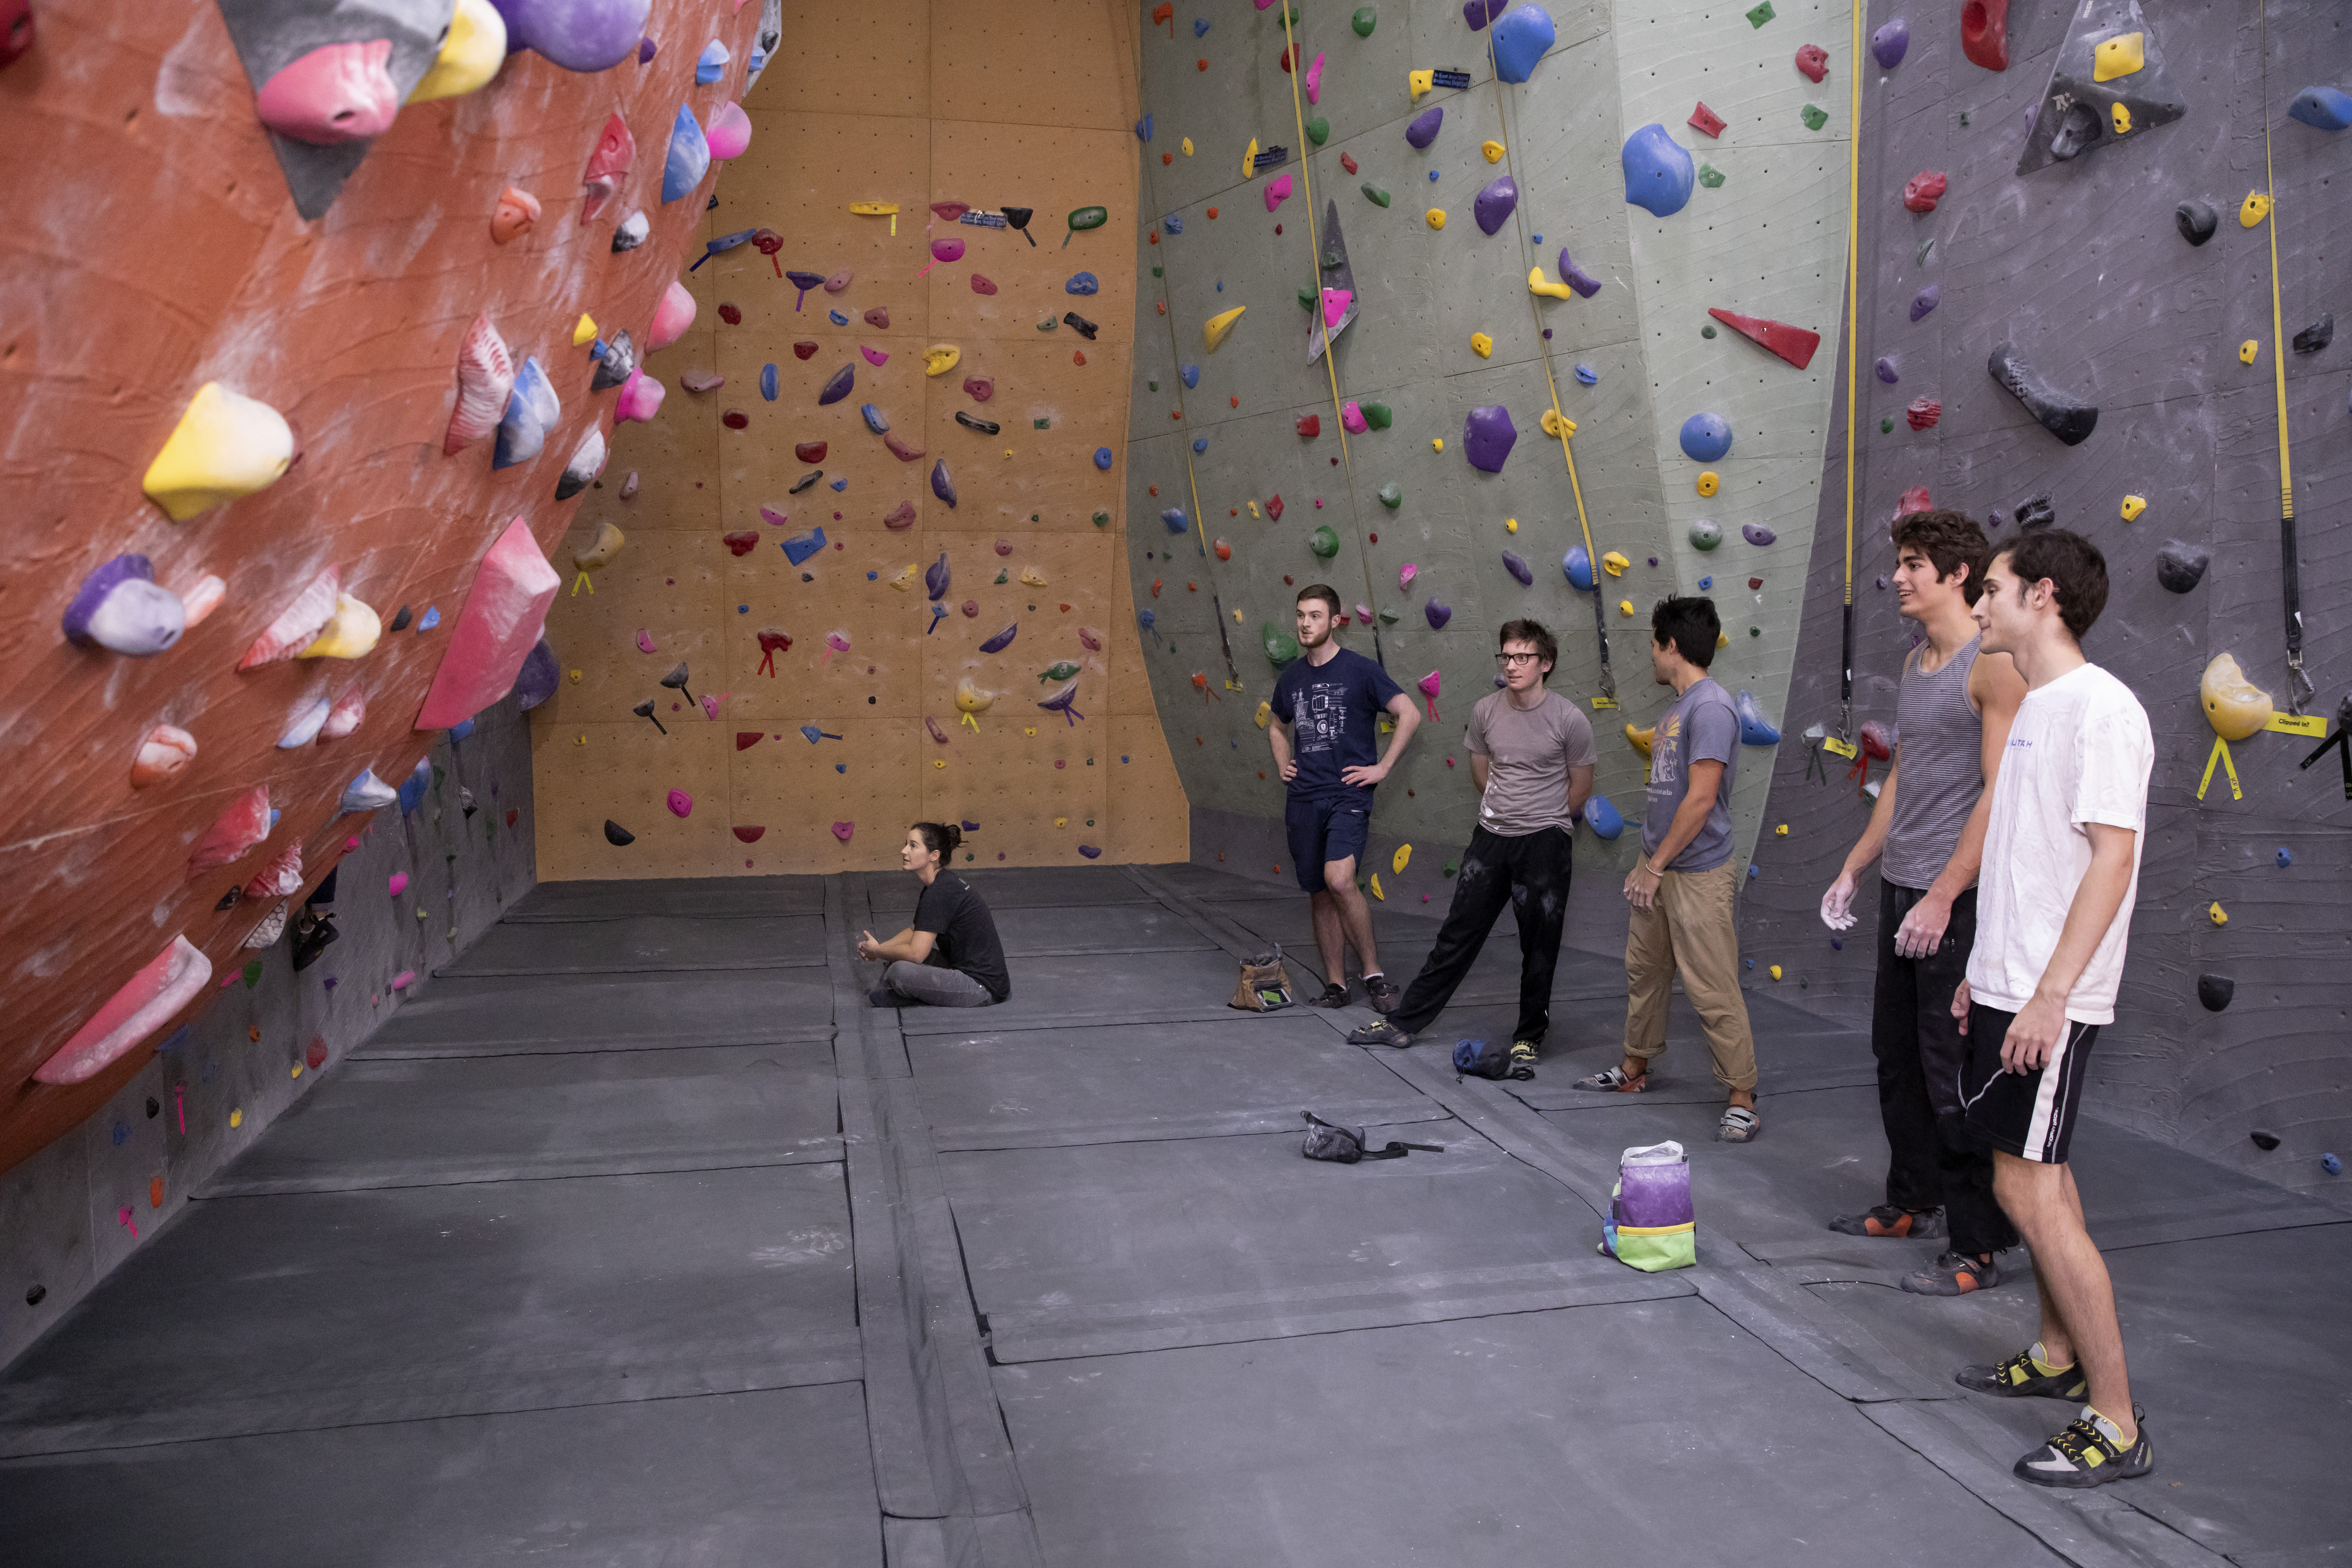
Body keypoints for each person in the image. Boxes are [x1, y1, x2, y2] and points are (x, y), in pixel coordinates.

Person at [1945, 530, 2154, 1488]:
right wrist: (1983, 972)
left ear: (2041, 596)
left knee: (2029, 1189)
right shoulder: (2036, 707)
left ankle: (2116, 1421)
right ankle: (2058, 1357)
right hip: (2012, 982)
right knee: (2037, 1177)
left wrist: (2050, 996)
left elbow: (2112, 858)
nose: (1975, 604)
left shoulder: (2101, 710)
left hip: (2051, 998)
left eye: (1987, 590)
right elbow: (2031, 861)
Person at [1820, 510, 2028, 1296]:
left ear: (1956, 575)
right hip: (1905, 889)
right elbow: (1903, 779)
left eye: (1913, 564)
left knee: (1951, 1071)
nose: (1899, 578)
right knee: (1896, 1056)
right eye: (1900, 562)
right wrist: (1853, 865)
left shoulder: (1991, 667)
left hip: (1954, 901)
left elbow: (2000, 792)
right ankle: (1915, 1197)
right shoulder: (1917, 665)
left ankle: (1978, 1244)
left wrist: (1944, 894)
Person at [1347, 619, 1595, 1063]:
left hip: (1544, 843)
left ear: (1546, 663)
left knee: (1540, 943)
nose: (1512, 665)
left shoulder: (1569, 719)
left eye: (1523, 657)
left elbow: (1580, 789)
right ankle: (1405, 1023)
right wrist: (1505, 810)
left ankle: (1529, 1036)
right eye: (1506, 656)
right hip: (1491, 839)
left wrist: (1542, 817)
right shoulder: (1485, 710)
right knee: (1457, 934)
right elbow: (1480, 772)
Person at [1576, 596, 1761, 1143]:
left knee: (1711, 986)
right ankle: (1634, 1069)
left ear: (1671, 645)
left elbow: (1702, 800)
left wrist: (1655, 866)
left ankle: (1742, 1097)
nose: (1650, 655)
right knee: (1646, 971)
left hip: (1694, 872)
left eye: (1653, 643)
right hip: (1656, 866)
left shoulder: (1711, 708)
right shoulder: (1679, 709)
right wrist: (1650, 863)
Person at [1268, 584, 1422, 1011]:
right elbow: (1276, 725)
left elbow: (1409, 713)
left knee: (1339, 879)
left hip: (1347, 795)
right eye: (1300, 615)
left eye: (1315, 615)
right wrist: (1284, 761)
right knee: (1320, 891)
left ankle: (1373, 975)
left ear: (1335, 621)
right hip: (1303, 798)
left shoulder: (1360, 670)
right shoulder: (1292, 678)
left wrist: (1383, 767)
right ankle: (1337, 984)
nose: (1304, 623)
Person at [857, 822, 1010, 1008]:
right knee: (895, 958)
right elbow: (914, 932)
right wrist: (879, 949)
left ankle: (911, 995)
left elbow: (916, 955)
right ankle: (912, 994)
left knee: (899, 971)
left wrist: (879, 952)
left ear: (934, 855)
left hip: (981, 988)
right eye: (907, 844)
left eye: (913, 846)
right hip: (962, 969)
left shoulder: (940, 892)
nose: (904, 851)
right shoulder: (940, 885)